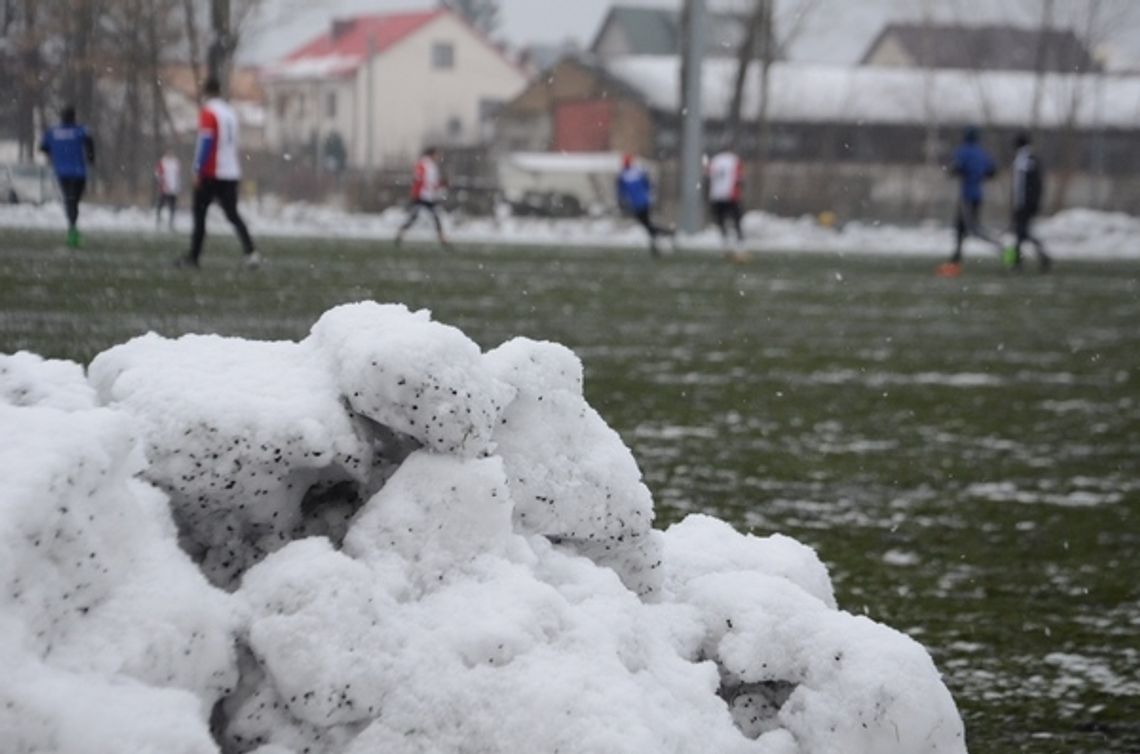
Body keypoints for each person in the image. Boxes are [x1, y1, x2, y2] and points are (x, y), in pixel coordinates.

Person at [177, 76, 260, 269]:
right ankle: (251, 251)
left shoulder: (209, 112)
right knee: (233, 215)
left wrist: (198, 169)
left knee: (200, 215)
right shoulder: (230, 113)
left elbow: (206, 141)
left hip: (211, 172)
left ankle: (194, 256)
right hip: (231, 172)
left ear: (206, 92)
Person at [937, 126, 1003, 278]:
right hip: (978, 195)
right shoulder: (981, 153)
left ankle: (1002, 248)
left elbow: (956, 168)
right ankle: (955, 260)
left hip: (967, 196)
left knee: (973, 229)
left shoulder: (963, 151)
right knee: (960, 227)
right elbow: (992, 171)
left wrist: (952, 172)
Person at [39, 105, 95, 249]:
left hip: (62, 172)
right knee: (74, 201)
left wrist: (54, 155)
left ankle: (72, 229)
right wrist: (90, 159)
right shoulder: (80, 130)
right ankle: (73, 231)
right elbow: (89, 143)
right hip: (78, 173)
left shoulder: (53, 132)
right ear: (74, 117)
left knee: (69, 201)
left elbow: (42, 147)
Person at [1007, 132, 1052, 273]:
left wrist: (1026, 202)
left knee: (1022, 232)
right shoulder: (1027, 158)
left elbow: (1027, 185)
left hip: (1024, 203)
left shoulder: (1025, 160)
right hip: (1025, 202)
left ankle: (1020, 262)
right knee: (1021, 233)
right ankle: (1023, 261)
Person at [617, 153, 674, 257]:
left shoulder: (624, 176)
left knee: (646, 225)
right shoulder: (639, 172)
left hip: (637, 204)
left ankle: (664, 234)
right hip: (644, 202)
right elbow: (648, 185)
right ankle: (659, 238)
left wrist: (622, 203)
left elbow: (621, 192)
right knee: (647, 224)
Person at [394, 146, 449, 248]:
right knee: (421, 216)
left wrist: (441, 184)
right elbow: (420, 179)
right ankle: (442, 239)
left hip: (427, 196)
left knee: (423, 216)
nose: (438, 156)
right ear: (432, 154)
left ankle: (400, 234)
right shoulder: (424, 164)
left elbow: (431, 182)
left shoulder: (430, 165)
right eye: (437, 154)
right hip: (421, 196)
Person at [707, 148, 745, 255]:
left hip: (716, 195)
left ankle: (725, 243)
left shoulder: (715, 160)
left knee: (721, 220)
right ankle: (739, 245)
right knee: (736, 220)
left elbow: (708, 177)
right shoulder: (734, 160)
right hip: (731, 195)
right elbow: (739, 178)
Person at [155, 148, 181, 231]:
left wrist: (177, 186)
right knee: (160, 205)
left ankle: (171, 223)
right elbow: (158, 174)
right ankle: (158, 221)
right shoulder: (163, 162)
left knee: (172, 207)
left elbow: (178, 175)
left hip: (173, 189)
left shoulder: (176, 162)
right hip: (164, 188)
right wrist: (163, 182)